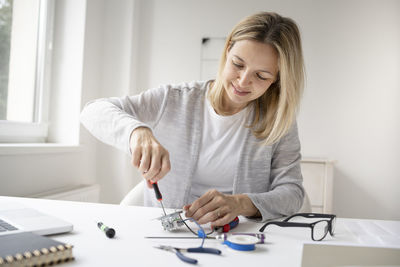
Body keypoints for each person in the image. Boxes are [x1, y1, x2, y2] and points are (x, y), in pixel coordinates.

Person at [80, 11, 305, 228]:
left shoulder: (279, 122)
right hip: (165, 236)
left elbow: (292, 193)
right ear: (227, 51)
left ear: (276, 80)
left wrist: (240, 204)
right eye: (238, 64)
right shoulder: (174, 99)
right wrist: (136, 132)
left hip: (239, 239)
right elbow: (93, 111)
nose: (243, 81)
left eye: (261, 75)